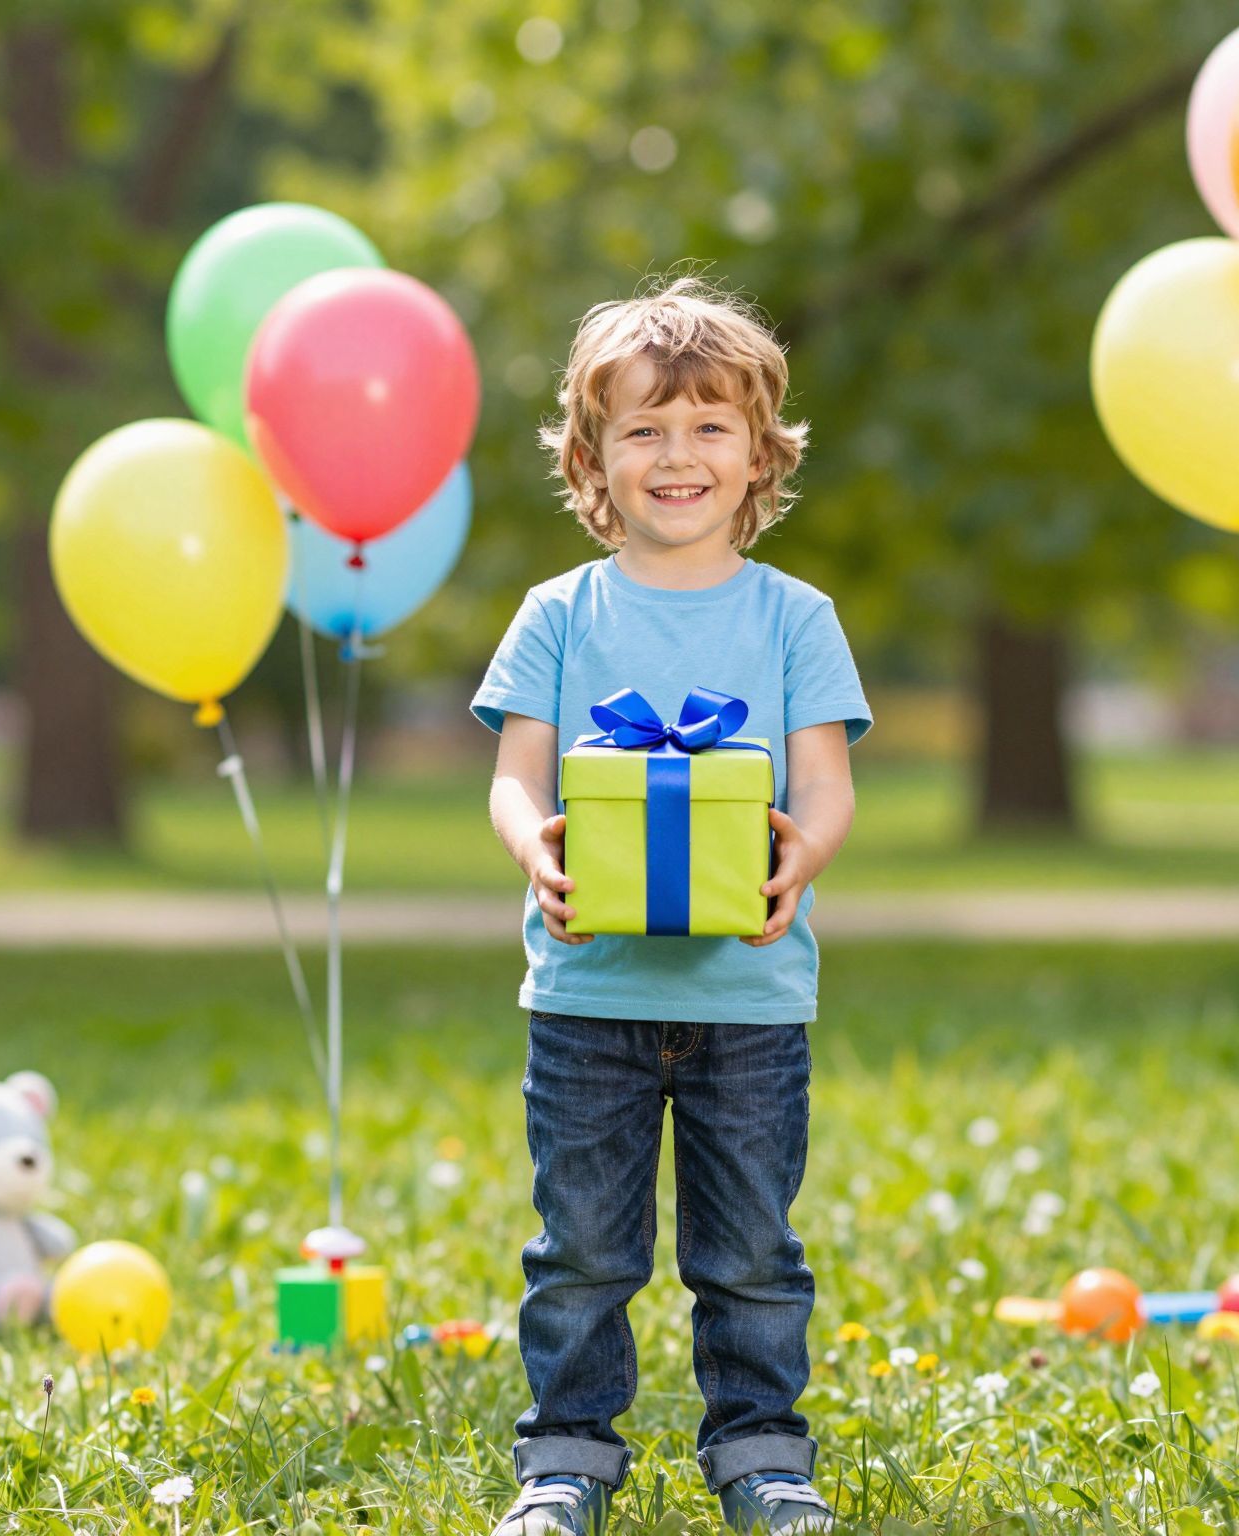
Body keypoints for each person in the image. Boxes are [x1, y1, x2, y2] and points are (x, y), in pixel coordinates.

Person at [473, 275, 871, 1535]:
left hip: (749, 996)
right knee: (581, 1247)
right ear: (592, 455)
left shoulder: (794, 617)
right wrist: (532, 851)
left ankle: (759, 1447)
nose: (676, 454)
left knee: (749, 1249)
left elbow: (824, 781)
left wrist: (800, 854)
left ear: (758, 454)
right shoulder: (559, 613)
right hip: (587, 992)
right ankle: (567, 1454)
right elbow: (512, 777)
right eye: (642, 428)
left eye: (707, 426)